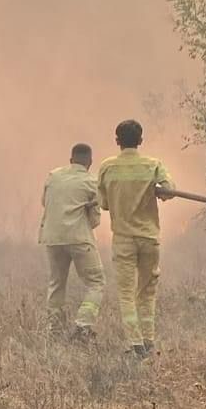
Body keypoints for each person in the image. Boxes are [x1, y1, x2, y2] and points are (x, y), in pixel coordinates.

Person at [96, 119, 173, 358]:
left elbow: (104, 204)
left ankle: (135, 342)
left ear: (117, 141)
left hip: (123, 240)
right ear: (141, 141)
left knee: (126, 293)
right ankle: (148, 340)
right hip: (149, 238)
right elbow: (169, 190)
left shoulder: (107, 167)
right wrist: (156, 189)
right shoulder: (153, 165)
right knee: (147, 290)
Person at [38, 143, 105, 342]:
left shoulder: (53, 176)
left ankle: (54, 329)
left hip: (52, 237)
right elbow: (95, 219)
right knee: (96, 283)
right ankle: (83, 326)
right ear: (90, 163)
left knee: (56, 284)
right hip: (78, 238)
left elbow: (45, 202)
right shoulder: (91, 181)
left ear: (70, 160)